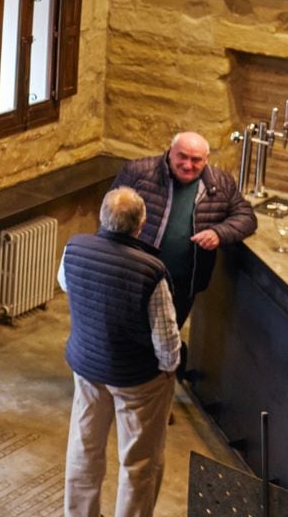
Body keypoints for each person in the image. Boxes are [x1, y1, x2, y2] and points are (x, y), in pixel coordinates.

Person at [60, 188, 181, 517]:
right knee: (140, 460)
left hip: (87, 364)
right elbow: (166, 335)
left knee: (84, 447)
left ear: (102, 216)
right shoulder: (151, 271)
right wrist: (170, 369)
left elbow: (66, 285)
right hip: (137, 378)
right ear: (141, 225)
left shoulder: (74, 248)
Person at [112, 131, 256, 323]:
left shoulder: (220, 183)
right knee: (128, 334)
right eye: (182, 156)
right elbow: (109, 215)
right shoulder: (139, 172)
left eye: (196, 160)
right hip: (136, 277)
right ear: (171, 151)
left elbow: (246, 216)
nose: (188, 165)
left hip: (182, 286)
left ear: (206, 159)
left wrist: (218, 233)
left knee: (167, 339)